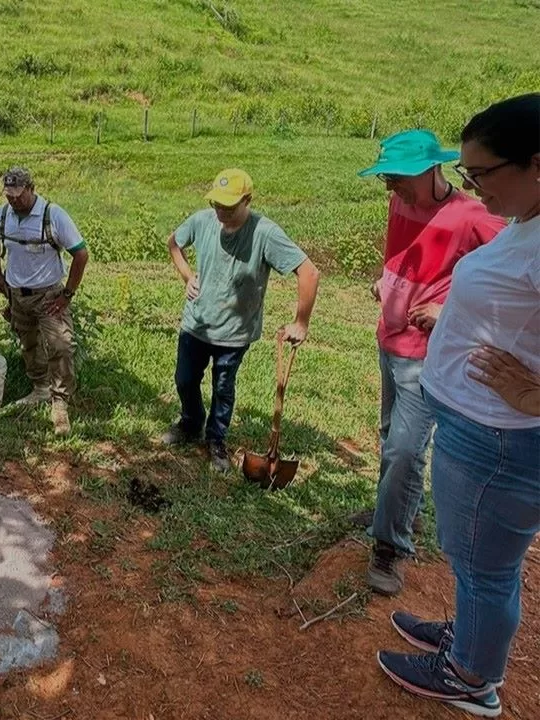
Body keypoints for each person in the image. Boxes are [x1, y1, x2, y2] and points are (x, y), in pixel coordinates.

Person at [377, 93, 540, 719]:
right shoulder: (526, 221)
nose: (474, 186)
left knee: (487, 567)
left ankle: (470, 676)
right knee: (474, 557)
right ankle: (466, 638)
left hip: (503, 435)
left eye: (482, 173)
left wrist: (531, 394)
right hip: (478, 421)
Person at [355, 130, 505, 597]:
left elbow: (506, 271)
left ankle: (390, 545)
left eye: (396, 177)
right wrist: (386, 279)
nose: (389, 186)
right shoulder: (401, 201)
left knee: (404, 449)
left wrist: (450, 310)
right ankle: (396, 509)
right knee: (389, 436)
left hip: (426, 352)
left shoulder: (472, 216)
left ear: (429, 170)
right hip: (389, 337)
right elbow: (398, 249)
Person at [163, 169, 320, 472]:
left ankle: (216, 440)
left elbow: (309, 272)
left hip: (235, 332)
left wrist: (301, 322)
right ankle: (190, 422)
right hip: (197, 323)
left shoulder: (265, 233)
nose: (220, 212)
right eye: (216, 205)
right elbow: (174, 242)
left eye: (229, 206)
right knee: (184, 380)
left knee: (223, 386)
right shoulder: (202, 221)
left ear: (247, 200)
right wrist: (187, 275)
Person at [0, 167, 89, 436]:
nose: (14, 201)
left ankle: (60, 402)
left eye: (18, 195)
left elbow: (81, 254)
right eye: (9, 196)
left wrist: (67, 294)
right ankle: (40, 387)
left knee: (62, 345)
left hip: (48, 295)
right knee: (27, 340)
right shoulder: (3, 214)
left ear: (31, 188)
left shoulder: (52, 215)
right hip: (16, 293)